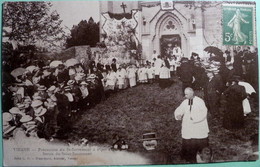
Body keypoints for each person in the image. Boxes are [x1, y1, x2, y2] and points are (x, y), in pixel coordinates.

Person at [174, 87, 209, 163]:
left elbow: (204, 113)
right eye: (185, 94)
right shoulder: (185, 102)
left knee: (198, 140)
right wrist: (178, 115)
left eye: (186, 94)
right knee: (188, 140)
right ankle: (189, 157)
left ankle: (201, 156)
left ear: (192, 93)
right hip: (188, 125)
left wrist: (194, 118)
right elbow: (179, 109)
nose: (185, 96)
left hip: (198, 125)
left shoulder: (200, 101)